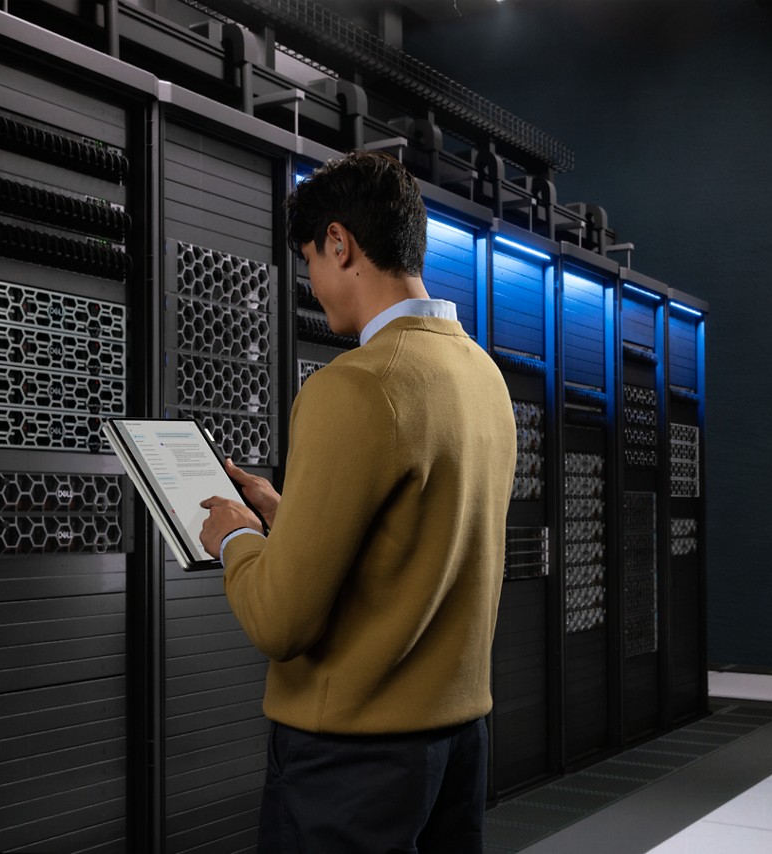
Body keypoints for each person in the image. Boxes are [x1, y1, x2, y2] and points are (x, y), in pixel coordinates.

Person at [199, 150, 517, 853]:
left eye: (310, 260)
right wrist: (288, 516)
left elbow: (281, 621)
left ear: (339, 243)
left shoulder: (355, 385)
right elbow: (415, 544)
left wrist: (236, 538)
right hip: (456, 744)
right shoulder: (483, 375)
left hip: (352, 760)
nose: (312, 285)